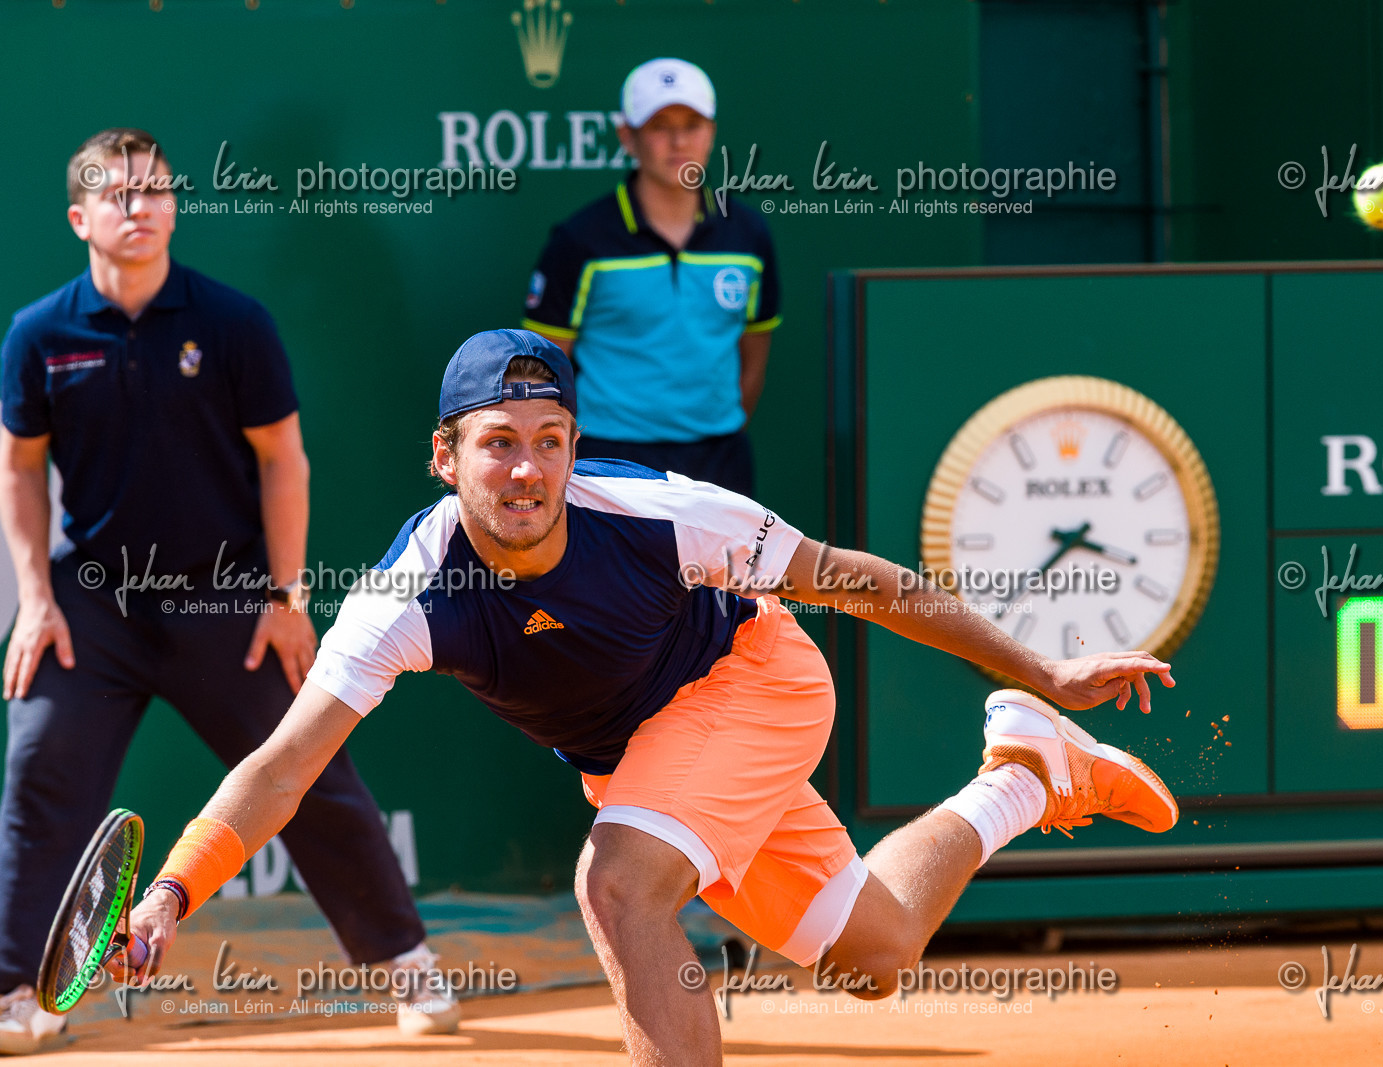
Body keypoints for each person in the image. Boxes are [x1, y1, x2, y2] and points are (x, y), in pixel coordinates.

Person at [126, 328, 1180, 1065]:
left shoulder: (659, 512)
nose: (528, 468)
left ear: (575, 446)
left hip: (753, 682)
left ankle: (1031, 715)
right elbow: (283, 764)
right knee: (872, 953)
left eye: (550, 437)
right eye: (498, 441)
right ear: (446, 458)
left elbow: (861, 581)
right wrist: (173, 889)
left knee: (618, 883)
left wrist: (1036, 661)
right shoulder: (408, 594)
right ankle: (1026, 773)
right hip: (642, 760)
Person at [0, 129, 456, 1055]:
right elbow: (18, 470)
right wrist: (34, 598)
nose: (142, 207)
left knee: (307, 767)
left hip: (225, 601)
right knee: (39, 766)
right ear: (80, 217)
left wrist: (287, 596)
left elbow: (284, 459)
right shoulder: (38, 334)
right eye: (119, 195)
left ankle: (409, 962)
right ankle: (20, 990)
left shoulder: (235, 322)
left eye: (157, 191)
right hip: (94, 604)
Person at [520, 57, 779, 496]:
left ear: (711, 131)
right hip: (609, 461)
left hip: (721, 461)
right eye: (660, 126)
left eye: (692, 124)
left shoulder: (748, 234)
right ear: (628, 136)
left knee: (726, 571)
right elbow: (545, 368)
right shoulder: (580, 241)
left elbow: (753, 359)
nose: (679, 141)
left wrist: (710, 425)